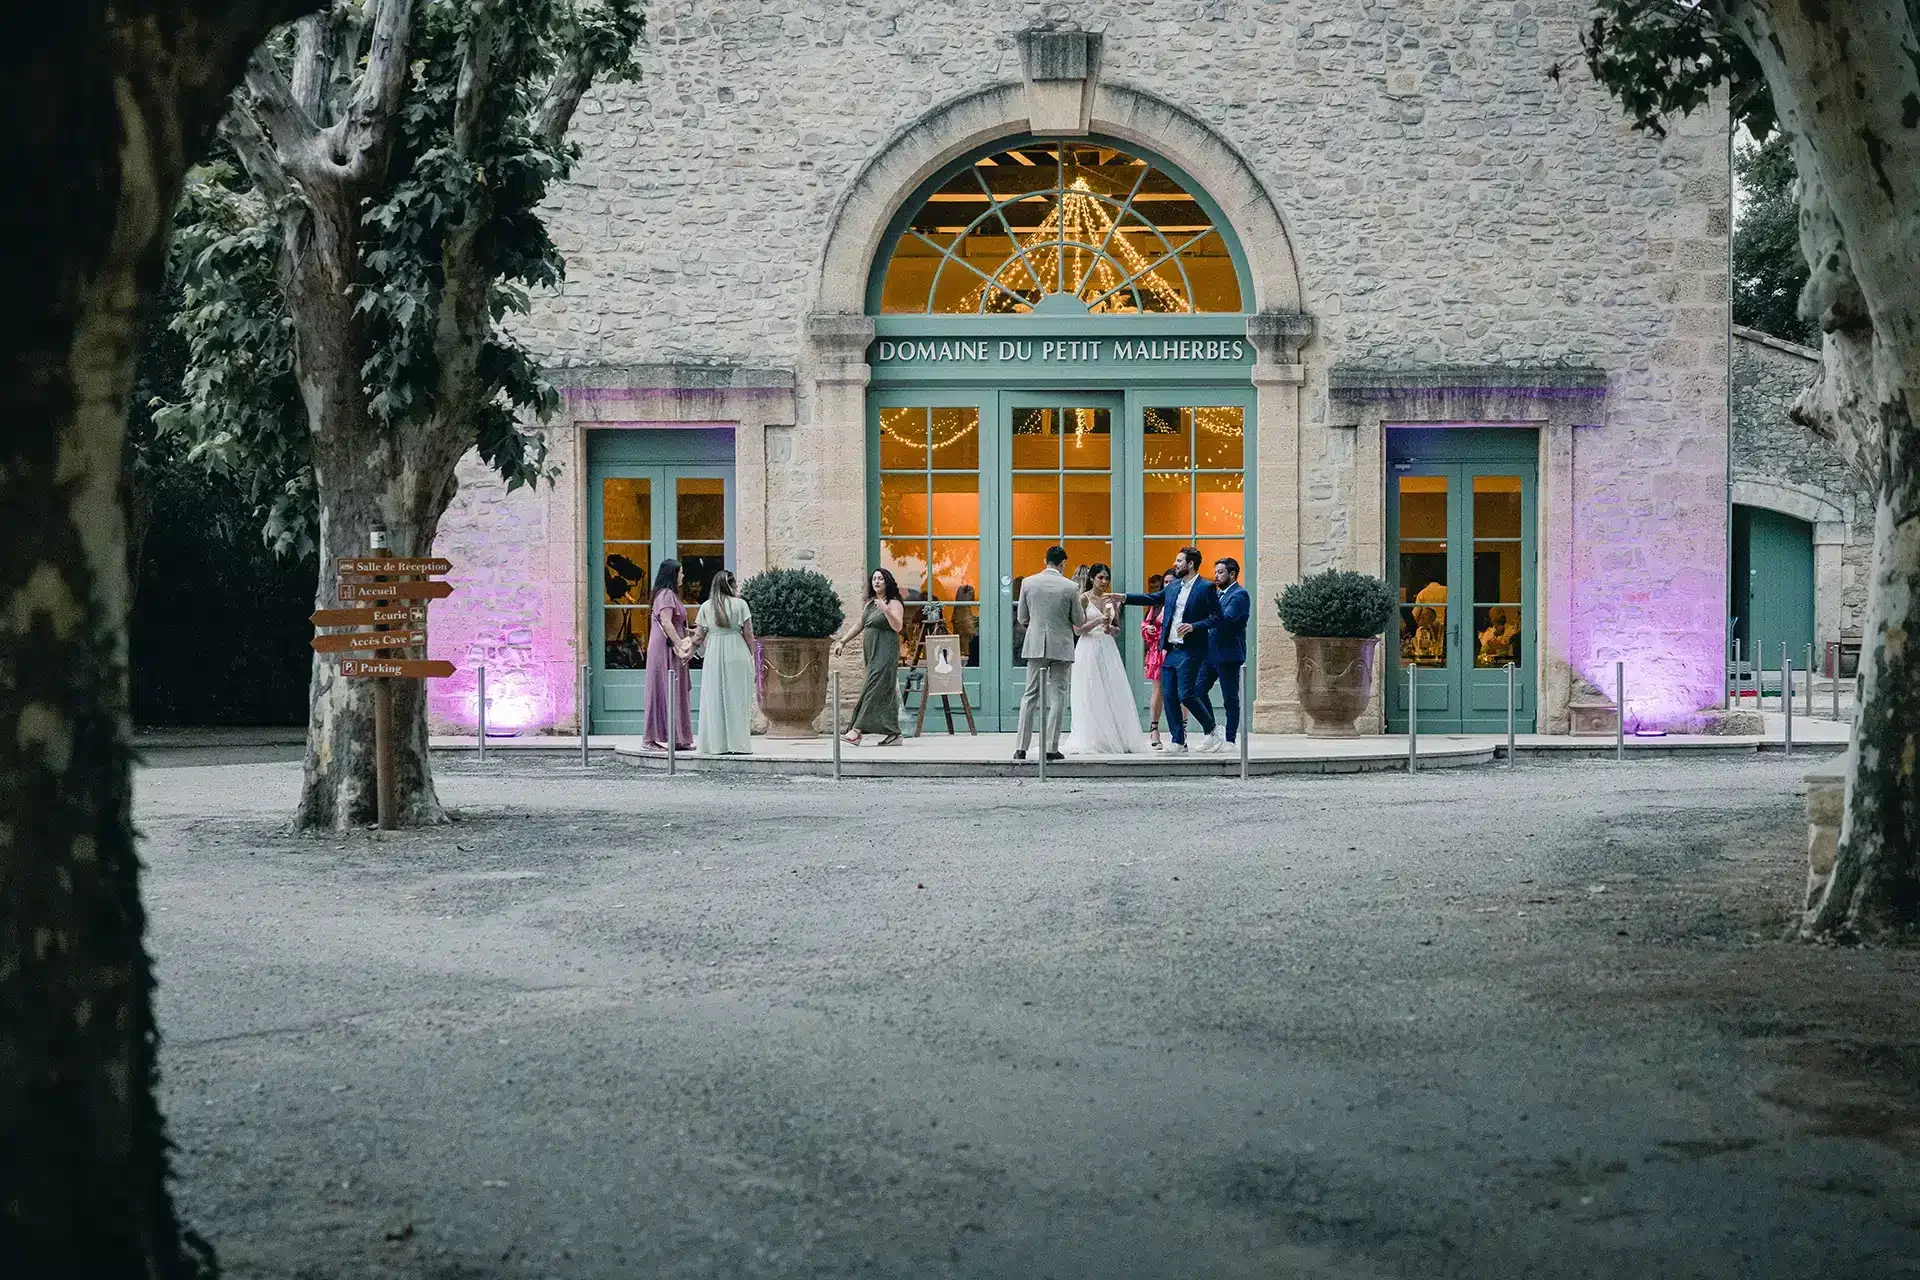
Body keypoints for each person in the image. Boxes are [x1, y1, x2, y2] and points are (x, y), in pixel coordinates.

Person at [1118, 546, 1222, 753]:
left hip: (1192, 649)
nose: (1175, 564)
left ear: (1190, 564)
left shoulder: (1206, 588)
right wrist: (1124, 597)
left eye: (1179, 560)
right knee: (1169, 695)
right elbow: (1152, 598)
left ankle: (1213, 729)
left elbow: (1217, 617)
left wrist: (1194, 626)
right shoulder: (1173, 587)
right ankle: (1178, 741)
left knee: (1186, 694)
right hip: (1171, 649)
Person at [1061, 564, 1150, 755]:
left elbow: (1117, 628)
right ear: (1092, 579)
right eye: (1100, 577)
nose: (1104, 582)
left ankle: (1115, 734)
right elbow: (1077, 629)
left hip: (1107, 647)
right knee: (1090, 690)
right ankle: (1092, 736)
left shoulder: (1111, 600)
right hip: (1088, 646)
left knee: (1111, 689)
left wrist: (1112, 629)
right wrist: (1096, 622)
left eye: (1106, 578)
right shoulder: (1083, 599)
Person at [1013, 545, 1084, 762]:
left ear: (1046, 560)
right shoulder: (1070, 587)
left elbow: (1022, 618)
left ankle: (1020, 748)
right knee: (1058, 695)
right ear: (1063, 563)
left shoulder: (1028, 582)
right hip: (1061, 645)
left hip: (1035, 643)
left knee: (1030, 695)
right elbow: (1079, 621)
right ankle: (1051, 747)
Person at [832, 568, 905, 746]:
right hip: (871, 655)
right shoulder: (870, 603)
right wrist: (843, 641)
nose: (877, 581)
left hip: (886, 653)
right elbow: (859, 625)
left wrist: (886, 610)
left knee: (873, 688)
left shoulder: (894, 603)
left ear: (887, 582)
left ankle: (856, 731)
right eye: (874, 579)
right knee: (880, 691)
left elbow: (898, 627)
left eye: (880, 578)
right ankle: (894, 733)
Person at [691, 569, 756, 755]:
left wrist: (688, 653)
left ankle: (716, 744)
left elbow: (698, 637)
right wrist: (752, 656)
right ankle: (739, 744)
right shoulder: (741, 604)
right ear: (731, 585)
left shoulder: (706, 606)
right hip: (737, 650)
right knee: (738, 698)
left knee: (714, 697)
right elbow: (749, 634)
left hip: (714, 652)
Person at [1195, 556, 1251, 746]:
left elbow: (1227, 620)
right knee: (1196, 691)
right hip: (1209, 654)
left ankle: (1230, 740)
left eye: (1220, 572)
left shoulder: (1239, 595)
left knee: (1230, 699)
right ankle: (1212, 731)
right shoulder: (1218, 595)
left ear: (1232, 574)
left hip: (1228, 654)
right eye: (1215, 572)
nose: (1216, 576)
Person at [643, 558, 694, 751]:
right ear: (672, 575)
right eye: (680, 572)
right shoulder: (665, 595)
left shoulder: (669, 594)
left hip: (671, 647)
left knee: (675, 690)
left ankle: (678, 738)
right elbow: (666, 622)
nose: (683, 576)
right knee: (661, 688)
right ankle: (650, 739)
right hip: (665, 649)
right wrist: (680, 643)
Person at [1140, 570, 1168, 748]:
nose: (1168, 585)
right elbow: (1146, 624)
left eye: (1172, 582)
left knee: (1181, 692)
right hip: (1158, 652)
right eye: (1166, 582)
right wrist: (1147, 630)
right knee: (1158, 691)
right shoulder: (1156, 605)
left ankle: (1182, 732)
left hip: (1177, 651)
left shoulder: (1184, 605)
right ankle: (1154, 730)